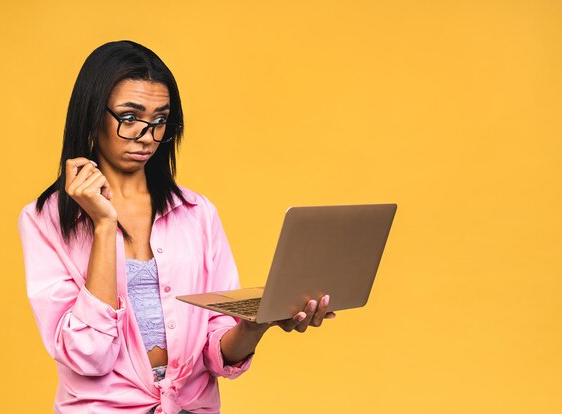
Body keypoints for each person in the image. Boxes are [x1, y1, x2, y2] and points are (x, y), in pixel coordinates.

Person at [18, 40, 335, 414]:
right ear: (91, 114)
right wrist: (103, 224)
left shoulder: (197, 212)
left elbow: (217, 349)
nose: (147, 137)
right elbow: (88, 356)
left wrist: (254, 325)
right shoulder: (45, 219)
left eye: (159, 120)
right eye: (129, 117)